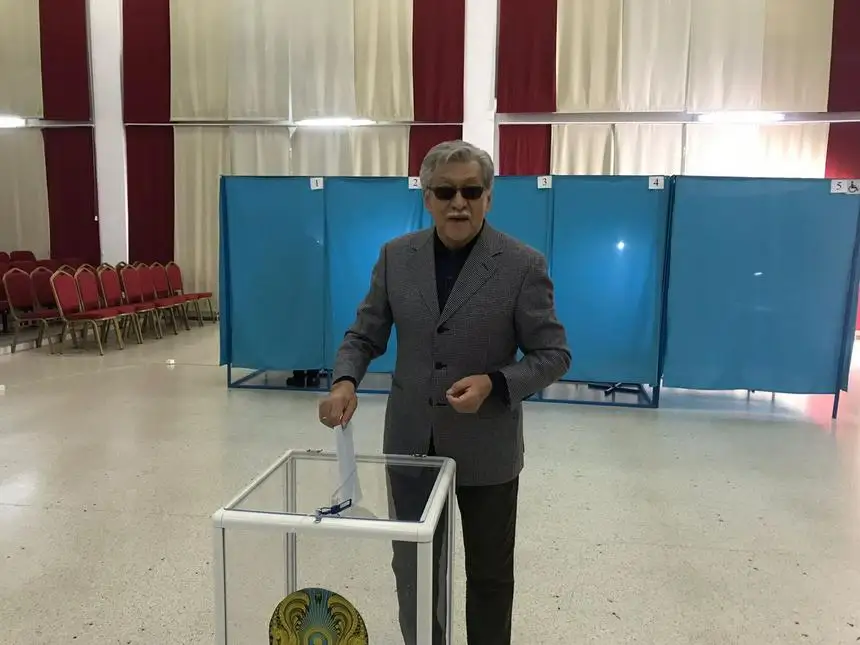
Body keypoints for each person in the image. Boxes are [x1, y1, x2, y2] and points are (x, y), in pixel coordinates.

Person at [317, 140, 571, 645]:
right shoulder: (396, 257)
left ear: (489, 198)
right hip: (411, 442)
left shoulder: (522, 264)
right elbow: (364, 333)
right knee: (413, 570)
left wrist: (495, 383)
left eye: (471, 191)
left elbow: (553, 354)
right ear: (427, 197)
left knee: (490, 576)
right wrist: (345, 380)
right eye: (446, 191)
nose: (459, 203)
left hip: (488, 448)